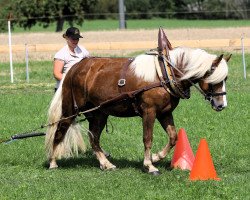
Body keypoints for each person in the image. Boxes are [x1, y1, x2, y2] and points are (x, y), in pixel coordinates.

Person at [53, 27, 90, 91]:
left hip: (80, 88)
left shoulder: (83, 51)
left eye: (77, 38)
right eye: (73, 39)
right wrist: (73, 81)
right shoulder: (61, 54)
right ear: (67, 38)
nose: (75, 41)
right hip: (64, 89)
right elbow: (57, 74)